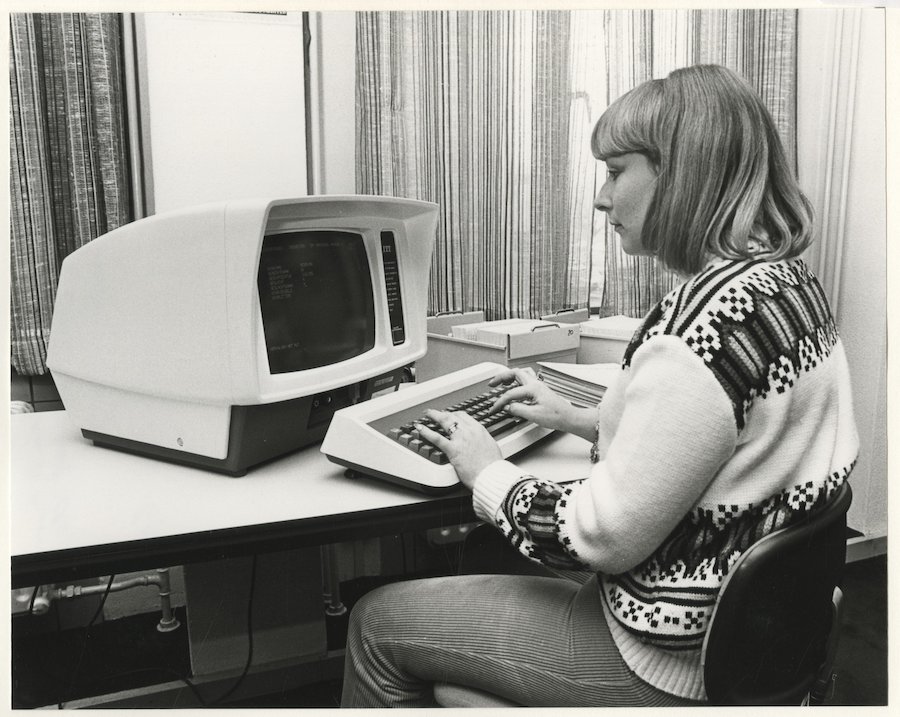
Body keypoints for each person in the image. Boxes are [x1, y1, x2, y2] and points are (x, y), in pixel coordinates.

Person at [339, 64, 859, 707]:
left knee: (377, 623)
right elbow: (726, 433)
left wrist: (487, 472)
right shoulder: (786, 286)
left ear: (681, 173)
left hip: (662, 664)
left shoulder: (699, 334)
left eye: (616, 172)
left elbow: (596, 539)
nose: (600, 197)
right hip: (754, 641)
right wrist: (577, 416)